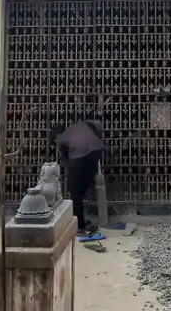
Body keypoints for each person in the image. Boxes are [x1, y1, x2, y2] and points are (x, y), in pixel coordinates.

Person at [50, 95, 109, 236]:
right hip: (97, 151)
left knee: (75, 192)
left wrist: (69, 173)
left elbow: (67, 161)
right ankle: (85, 214)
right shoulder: (75, 127)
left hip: (81, 155)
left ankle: (80, 227)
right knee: (82, 186)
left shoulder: (61, 138)